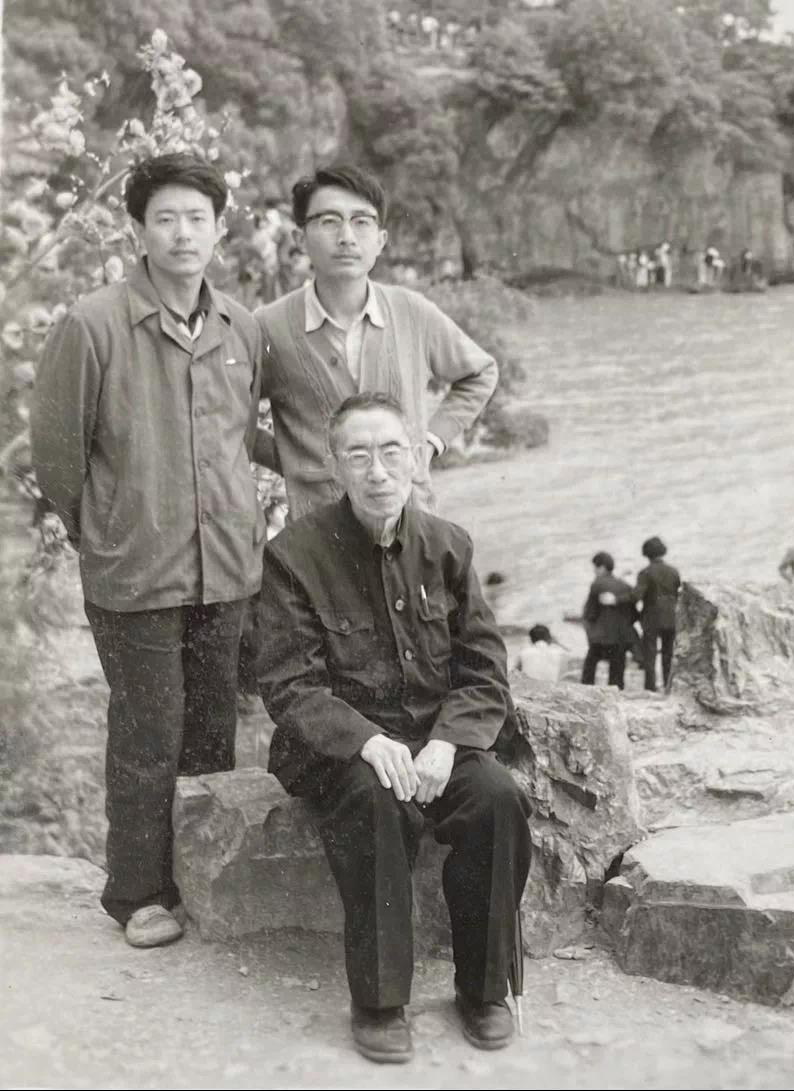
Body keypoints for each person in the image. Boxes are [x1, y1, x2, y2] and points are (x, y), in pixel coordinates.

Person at [252, 393, 531, 1064]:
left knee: (496, 796)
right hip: (341, 745)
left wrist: (448, 741)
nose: (377, 471)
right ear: (336, 466)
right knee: (376, 804)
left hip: (436, 738)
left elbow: (484, 665)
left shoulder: (448, 545)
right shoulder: (294, 554)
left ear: (413, 456)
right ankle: (379, 1002)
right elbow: (290, 681)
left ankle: (484, 989)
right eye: (358, 455)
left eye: (390, 452)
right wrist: (368, 741)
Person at [31, 153, 264, 949]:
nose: (182, 232)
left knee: (211, 732)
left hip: (227, 566)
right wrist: (102, 528)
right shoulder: (92, 324)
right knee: (146, 732)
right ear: (137, 229)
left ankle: (199, 877)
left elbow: (238, 436)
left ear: (219, 227)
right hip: (134, 570)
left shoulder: (242, 327)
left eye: (197, 217)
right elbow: (55, 453)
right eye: (165, 217)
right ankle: (136, 891)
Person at [254, 165, 497, 519]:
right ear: (300, 239)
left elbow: (480, 373)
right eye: (329, 221)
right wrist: (291, 461)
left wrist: (430, 443)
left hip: (412, 529)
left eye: (362, 221)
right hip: (318, 542)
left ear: (381, 241)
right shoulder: (268, 327)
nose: (347, 236)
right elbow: (230, 418)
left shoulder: (411, 312)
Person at [581, 552, 639, 690]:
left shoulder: (597, 584)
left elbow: (590, 613)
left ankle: (586, 695)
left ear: (601, 567)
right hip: (620, 637)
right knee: (617, 675)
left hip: (600, 638)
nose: (594, 571)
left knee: (589, 669)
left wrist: (589, 629)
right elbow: (634, 615)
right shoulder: (625, 586)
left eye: (595, 568)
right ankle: (616, 698)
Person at [635, 536, 681, 691]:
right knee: (668, 654)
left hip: (652, 617)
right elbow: (678, 593)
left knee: (650, 655)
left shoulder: (645, 573)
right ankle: (668, 687)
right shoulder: (674, 572)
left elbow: (637, 596)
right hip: (672, 617)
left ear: (646, 554)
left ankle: (651, 688)